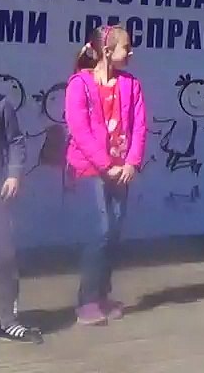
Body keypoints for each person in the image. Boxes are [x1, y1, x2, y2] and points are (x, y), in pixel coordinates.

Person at [64, 24, 149, 326]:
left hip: (120, 171)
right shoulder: (79, 84)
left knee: (114, 232)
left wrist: (131, 163)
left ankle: (102, 295)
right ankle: (87, 301)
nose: (131, 52)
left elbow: (140, 126)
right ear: (108, 51)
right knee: (100, 230)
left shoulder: (131, 84)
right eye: (127, 47)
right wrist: (105, 164)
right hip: (90, 169)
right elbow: (79, 130)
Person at [0, 90, 42, 342]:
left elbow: (15, 141)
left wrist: (13, 174)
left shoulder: (1, 105)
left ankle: (9, 321)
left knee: (4, 256)